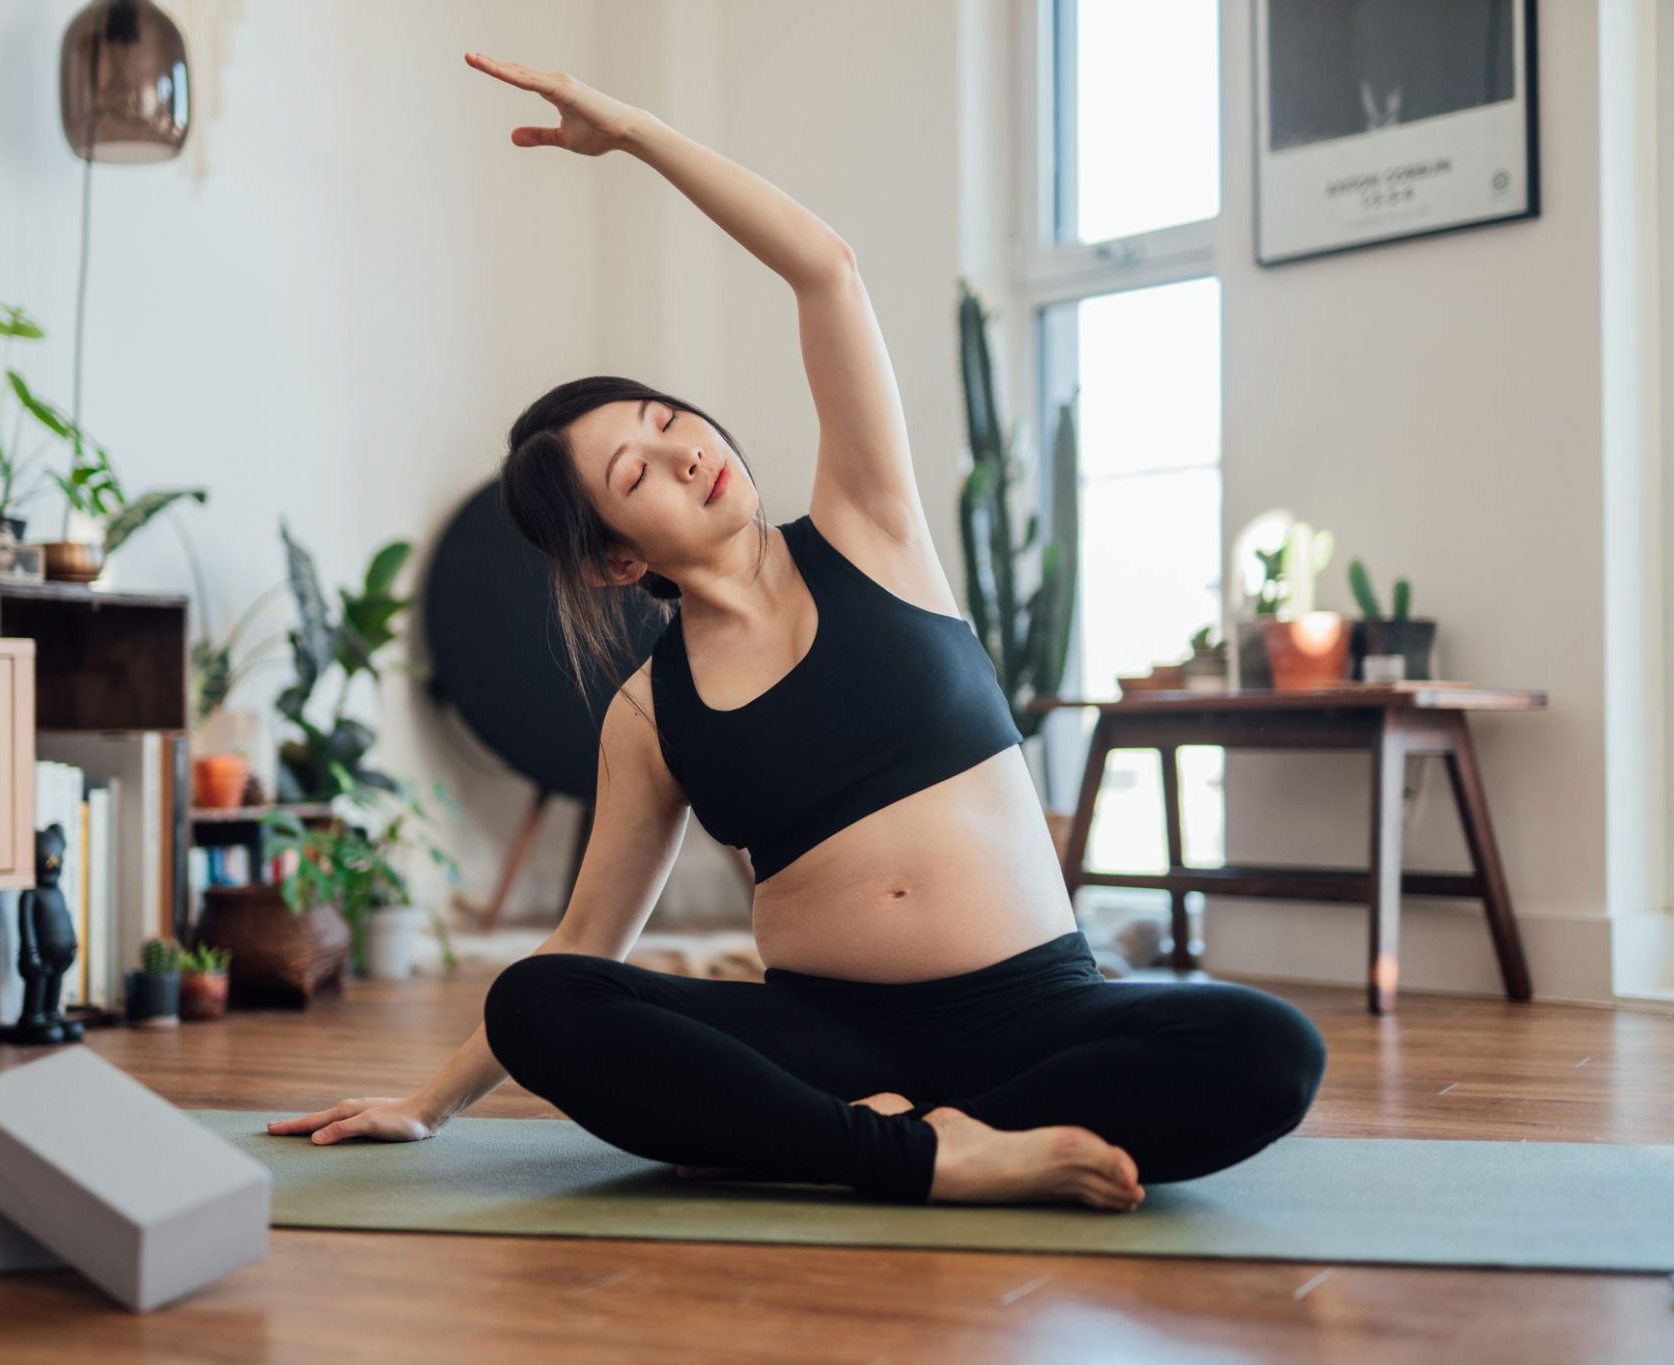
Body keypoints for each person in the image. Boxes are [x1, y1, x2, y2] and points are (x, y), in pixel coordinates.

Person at [266, 50, 1327, 1211]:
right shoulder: (648, 714)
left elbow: (824, 269)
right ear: (616, 558)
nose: (684, 452)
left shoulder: (871, 530)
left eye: (666, 420)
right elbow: (582, 942)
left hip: (1036, 1010)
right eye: (636, 472)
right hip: (827, 1038)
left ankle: (868, 1143)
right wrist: (429, 1103)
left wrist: (634, 134)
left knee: (1268, 1049)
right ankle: (926, 1156)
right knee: (536, 1002)